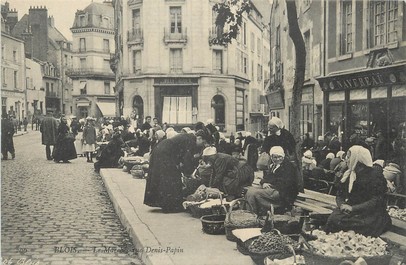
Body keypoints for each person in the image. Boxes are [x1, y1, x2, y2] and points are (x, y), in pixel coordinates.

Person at [324, 145, 392, 237]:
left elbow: (376, 201)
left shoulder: (374, 176)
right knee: (334, 219)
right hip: (352, 211)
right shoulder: (348, 174)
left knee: (353, 225)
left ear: (357, 159)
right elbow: (340, 195)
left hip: (371, 213)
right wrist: (342, 206)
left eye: (349, 157)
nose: (346, 160)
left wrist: (353, 208)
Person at [144, 133, 200, 213]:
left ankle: (162, 203)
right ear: (199, 139)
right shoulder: (191, 141)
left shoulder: (187, 137)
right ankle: (170, 206)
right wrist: (189, 173)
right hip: (165, 153)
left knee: (161, 177)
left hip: (160, 149)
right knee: (171, 178)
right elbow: (186, 159)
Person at [245, 146, 298, 215]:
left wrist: (270, 184)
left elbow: (286, 183)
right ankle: (252, 213)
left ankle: (253, 214)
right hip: (274, 188)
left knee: (254, 193)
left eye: (280, 157)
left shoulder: (288, 166)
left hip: (283, 193)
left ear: (283, 156)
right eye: (275, 157)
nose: (278, 159)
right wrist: (264, 183)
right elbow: (266, 178)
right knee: (249, 190)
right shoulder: (274, 166)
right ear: (271, 157)